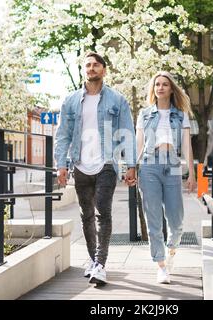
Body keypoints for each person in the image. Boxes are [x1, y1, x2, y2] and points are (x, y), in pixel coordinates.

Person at [55, 52, 137, 285]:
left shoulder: (117, 100)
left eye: (96, 65)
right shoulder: (70, 101)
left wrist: (131, 165)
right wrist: (61, 164)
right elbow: (63, 135)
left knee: (103, 212)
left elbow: (127, 133)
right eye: (88, 65)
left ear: (104, 69)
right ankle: (93, 260)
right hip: (80, 165)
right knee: (86, 215)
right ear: (84, 70)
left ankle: (100, 263)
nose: (91, 68)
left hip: (106, 164)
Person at [136, 71, 196, 284]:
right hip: (149, 165)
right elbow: (138, 144)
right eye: (157, 84)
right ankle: (160, 265)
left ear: (171, 89)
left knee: (177, 220)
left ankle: (171, 251)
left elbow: (187, 145)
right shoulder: (144, 114)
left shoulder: (181, 115)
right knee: (153, 218)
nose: (160, 87)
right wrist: (132, 168)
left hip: (172, 164)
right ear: (153, 89)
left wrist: (192, 173)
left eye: (165, 84)